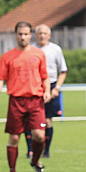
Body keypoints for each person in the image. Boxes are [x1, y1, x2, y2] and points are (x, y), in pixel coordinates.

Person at [0, 21, 50, 172]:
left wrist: (48, 91)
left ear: (31, 35)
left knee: (39, 135)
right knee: (14, 137)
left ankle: (35, 161)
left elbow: (45, 77)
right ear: (15, 35)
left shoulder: (39, 54)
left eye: (26, 34)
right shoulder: (7, 56)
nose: (23, 37)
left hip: (36, 101)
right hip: (16, 101)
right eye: (20, 34)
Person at [26, 24, 67, 159]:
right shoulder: (30, 49)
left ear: (49, 35)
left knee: (48, 120)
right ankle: (30, 150)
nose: (42, 35)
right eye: (40, 33)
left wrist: (56, 88)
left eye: (45, 33)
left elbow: (63, 71)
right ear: (35, 35)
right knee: (29, 120)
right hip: (33, 87)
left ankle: (46, 151)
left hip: (52, 85)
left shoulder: (55, 49)